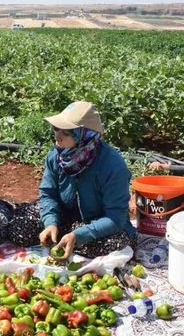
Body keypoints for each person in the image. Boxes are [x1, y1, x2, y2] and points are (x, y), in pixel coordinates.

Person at [36, 101, 137, 259]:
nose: (58, 136)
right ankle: (62, 235)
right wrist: (50, 222)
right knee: (20, 229)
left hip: (99, 223)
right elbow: (48, 193)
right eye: (56, 128)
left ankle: (70, 240)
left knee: (115, 243)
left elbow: (115, 218)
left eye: (67, 132)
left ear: (84, 135)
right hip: (65, 218)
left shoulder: (113, 165)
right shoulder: (56, 156)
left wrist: (79, 235)